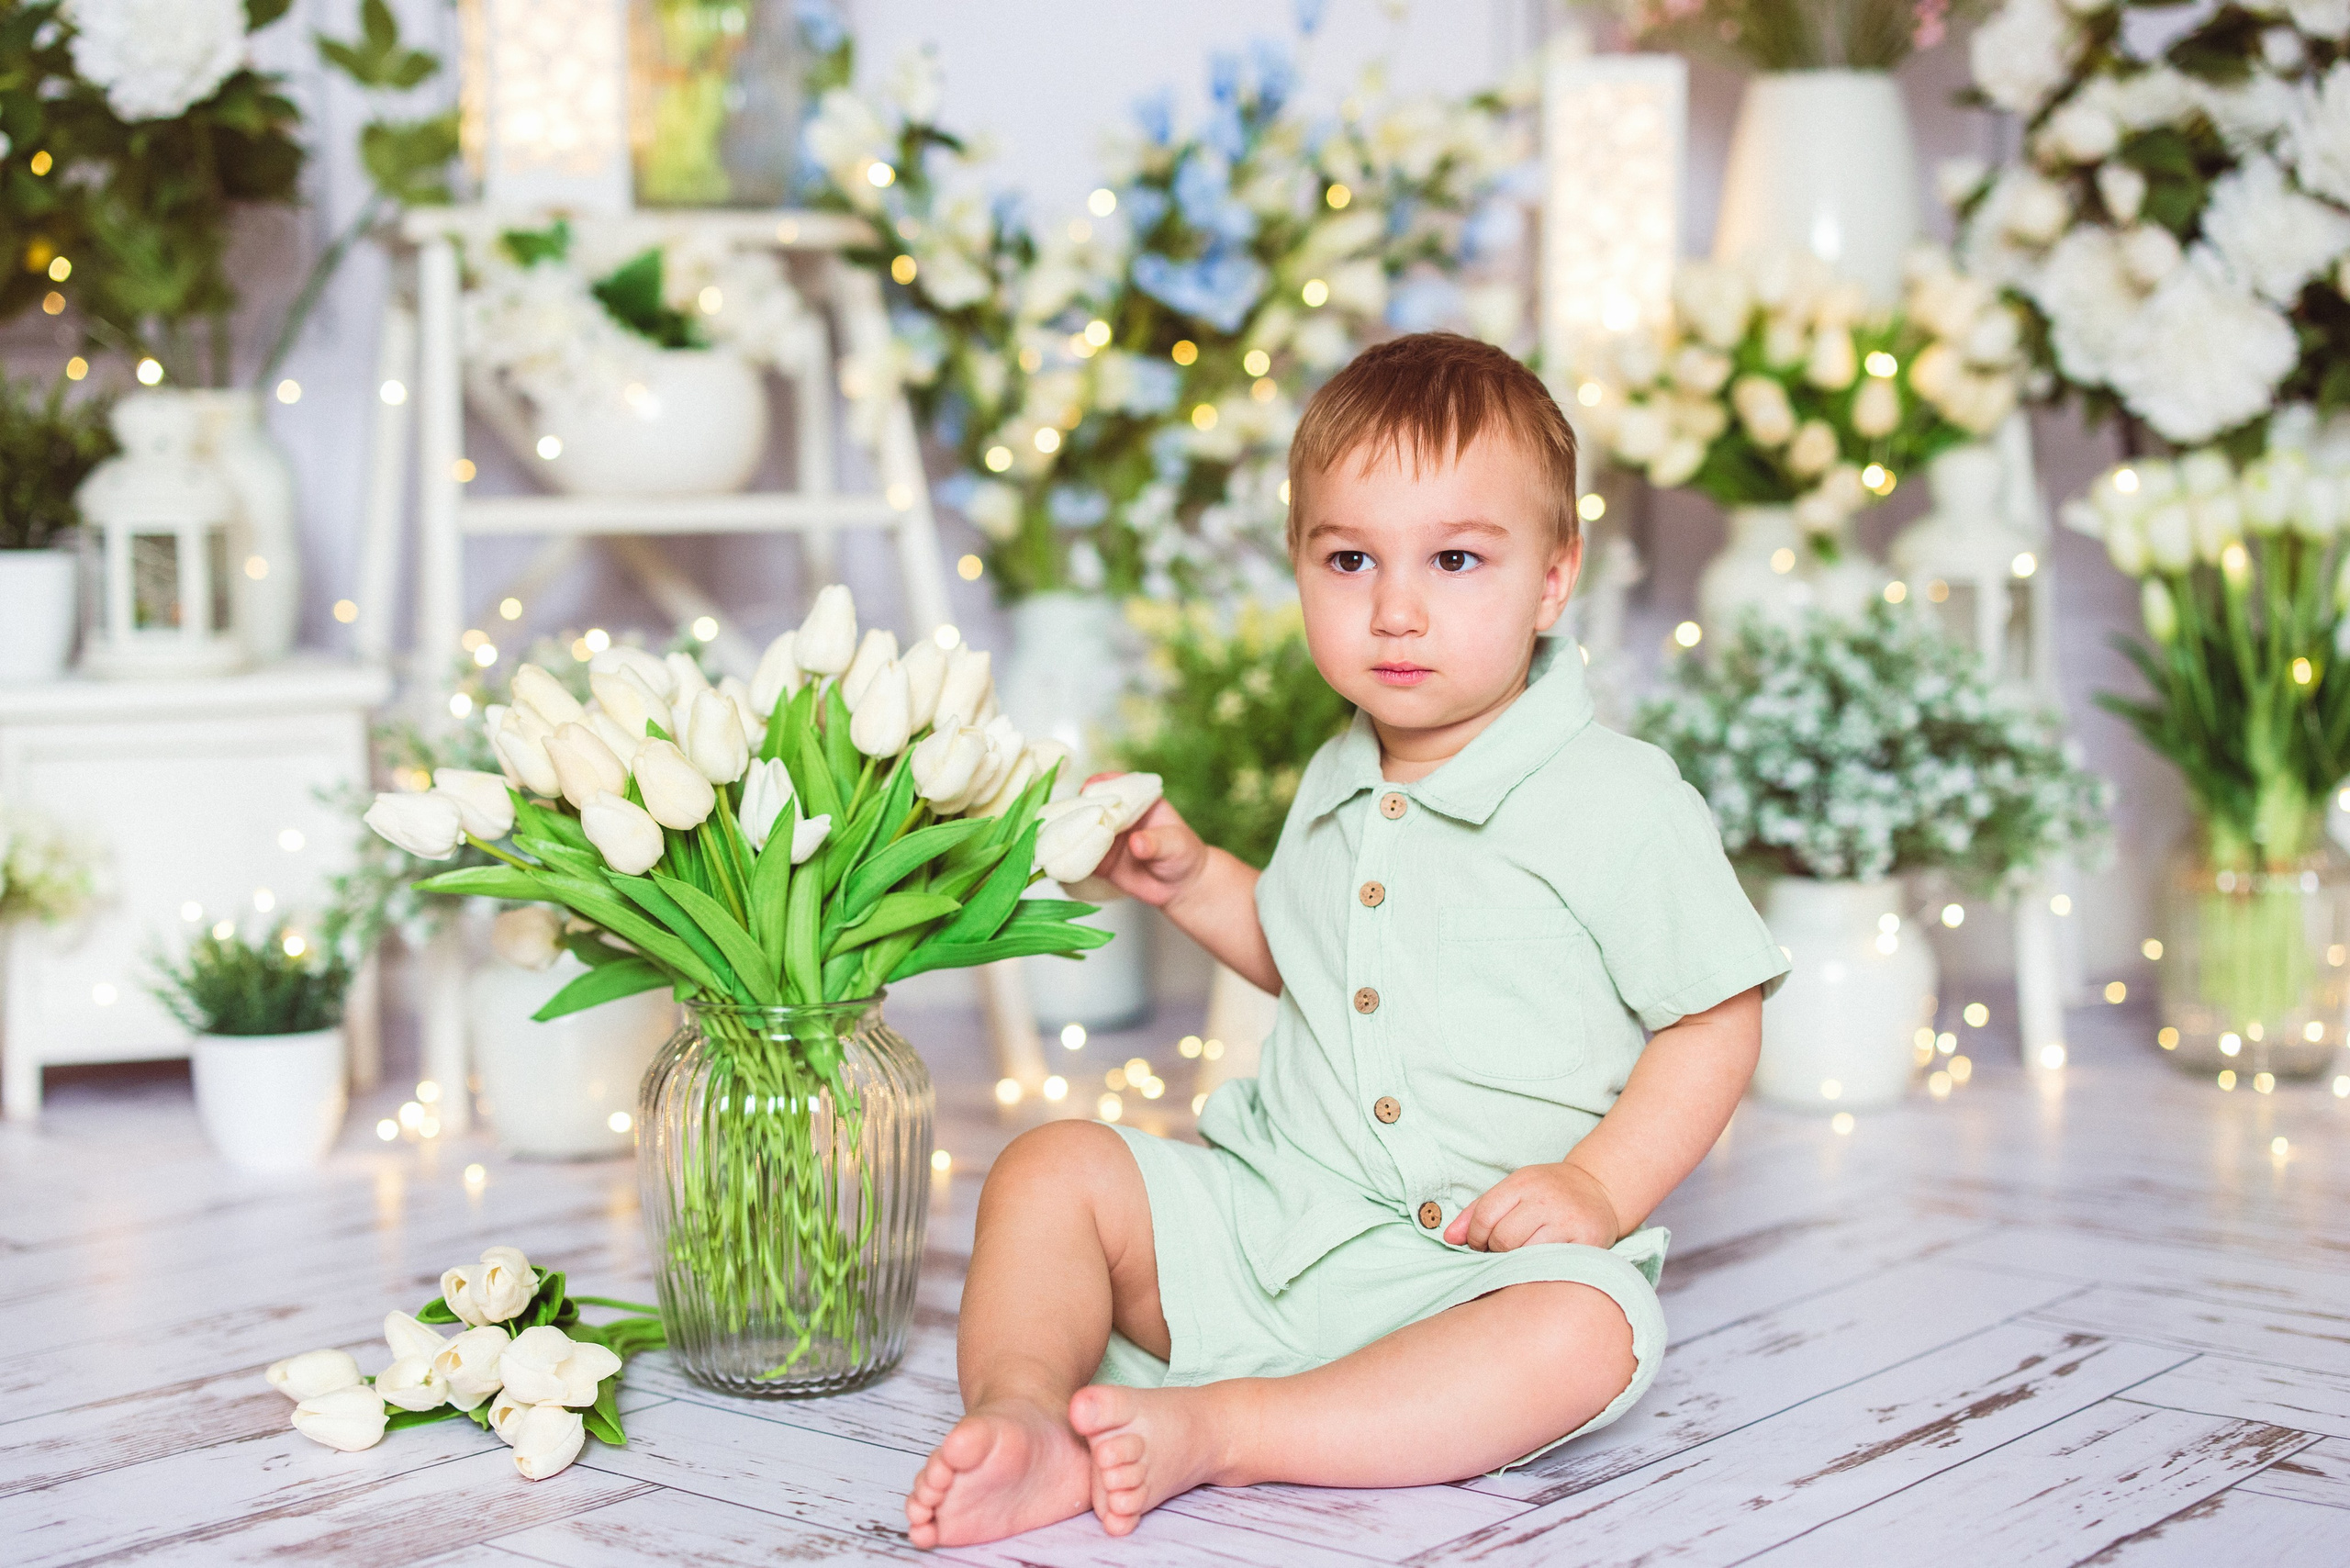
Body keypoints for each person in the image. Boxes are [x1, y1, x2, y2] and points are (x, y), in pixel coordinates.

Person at [904, 331, 1787, 1548]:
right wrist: (1196, 878)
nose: (1397, 608)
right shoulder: (1342, 772)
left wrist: (1599, 1186)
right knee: (1051, 1168)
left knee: (1586, 1334)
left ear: (1552, 578)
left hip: (1468, 1270)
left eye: (1458, 558)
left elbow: (1715, 1016)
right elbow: (1311, 960)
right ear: (1301, 567)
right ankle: (1028, 1415)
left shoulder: (1618, 800)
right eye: (1351, 558)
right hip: (1277, 1220)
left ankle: (1226, 1429)